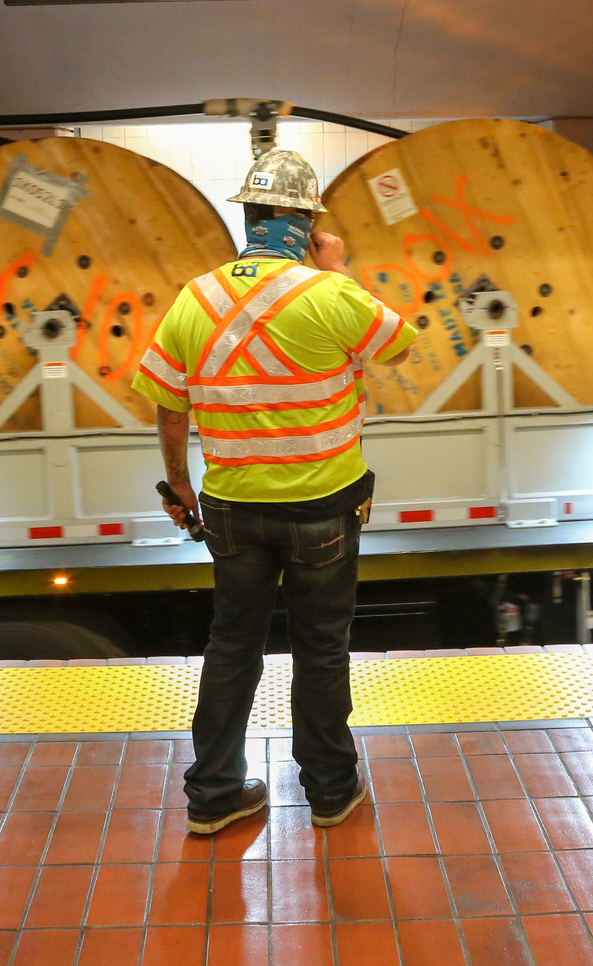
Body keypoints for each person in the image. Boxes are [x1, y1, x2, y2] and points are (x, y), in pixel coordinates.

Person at [132, 148, 417, 836]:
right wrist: (337, 268)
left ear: (249, 217)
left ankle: (213, 795)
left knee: (232, 647)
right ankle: (329, 792)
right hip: (323, 509)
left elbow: (168, 405)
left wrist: (180, 485)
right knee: (320, 649)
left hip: (232, 509)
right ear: (305, 224)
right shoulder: (330, 293)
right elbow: (399, 345)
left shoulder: (195, 298)